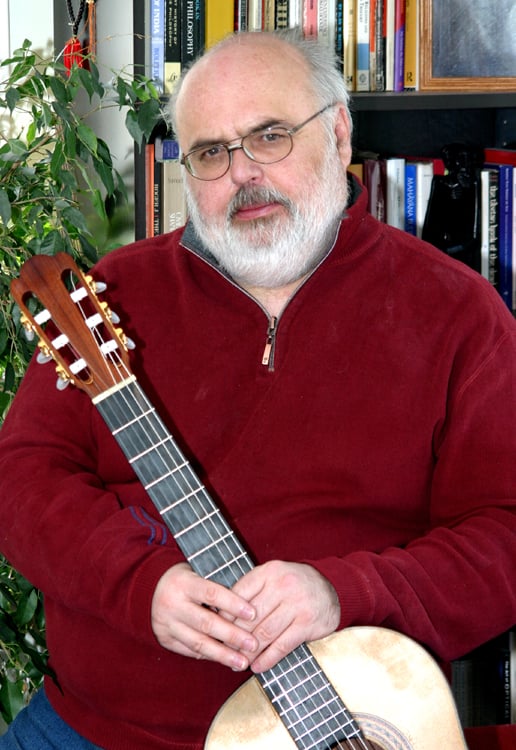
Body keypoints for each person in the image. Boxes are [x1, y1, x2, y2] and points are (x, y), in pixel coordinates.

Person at [0, 27, 515, 750]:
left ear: (339, 135)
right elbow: (20, 482)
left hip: (347, 728)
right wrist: (140, 585)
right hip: (102, 729)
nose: (243, 172)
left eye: (270, 135)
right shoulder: (108, 299)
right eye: (212, 152)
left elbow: (503, 535)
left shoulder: (457, 313)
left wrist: (344, 594)